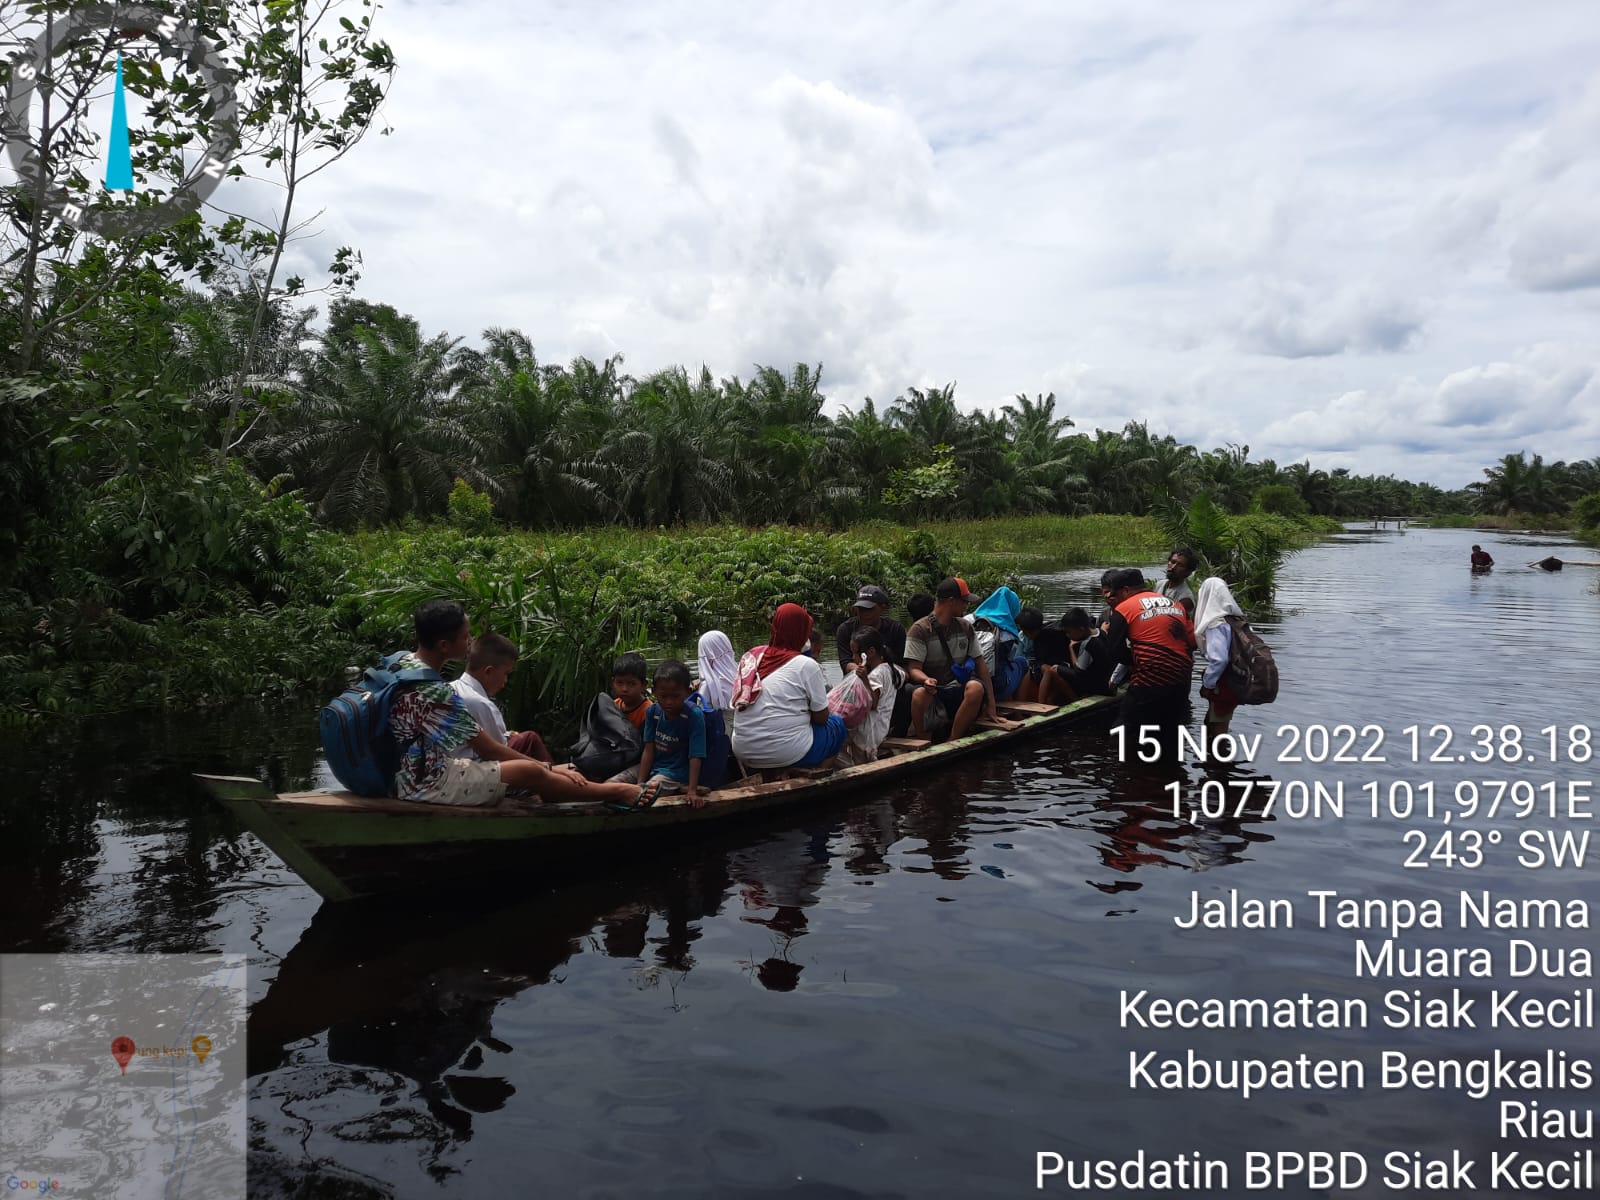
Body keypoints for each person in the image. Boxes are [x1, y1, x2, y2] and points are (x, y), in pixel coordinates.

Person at [388, 600, 661, 808]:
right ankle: (616, 791)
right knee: (529, 769)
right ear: (445, 645)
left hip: (409, 769)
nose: (470, 641)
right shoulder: (436, 692)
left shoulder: (401, 663)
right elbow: (490, 749)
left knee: (535, 757)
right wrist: (546, 768)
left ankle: (566, 781)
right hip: (427, 780)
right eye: (465, 636)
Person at [730, 604, 849, 772]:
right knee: (837, 725)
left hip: (743, 750)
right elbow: (822, 718)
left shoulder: (751, 657)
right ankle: (821, 777)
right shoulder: (806, 665)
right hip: (785, 751)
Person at [1101, 567, 1196, 762]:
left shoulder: (1124, 609)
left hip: (1150, 680)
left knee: (1122, 730)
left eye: (1115, 593)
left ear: (1125, 590)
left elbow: (1114, 650)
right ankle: (1170, 776)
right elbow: (1192, 642)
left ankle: (1125, 776)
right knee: (1169, 732)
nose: (1114, 598)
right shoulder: (1175, 604)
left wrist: (1135, 662)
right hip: (1182, 679)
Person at [905, 577, 1014, 741]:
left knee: (976, 688)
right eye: (963, 601)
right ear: (951, 601)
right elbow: (914, 669)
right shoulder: (919, 630)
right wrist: (926, 680)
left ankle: (953, 738)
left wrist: (991, 706)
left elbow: (981, 666)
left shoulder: (965, 627)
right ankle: (923, 739)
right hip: (933, 692)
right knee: (919, 694)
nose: (966, 606)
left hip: (957, 690)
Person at [610, 660, 709, 807]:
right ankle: (677, 789)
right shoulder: (652, 712)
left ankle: (682, 787)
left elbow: (696, 755)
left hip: (677, 771)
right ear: (654, 692)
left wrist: (692, 792)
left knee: (644, 795)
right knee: (611, 785)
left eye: (675, 697)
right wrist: (639, 783)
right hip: (656, 765)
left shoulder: (693, 715)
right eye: (663, 696)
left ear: (688, 693)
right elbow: (649, 750)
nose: (669, 702)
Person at [449, 633, 553, 763]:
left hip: (451, 762)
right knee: (530, 739)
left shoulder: (451, 689)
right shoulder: (479, 703)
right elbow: (498, 750)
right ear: (488, 671)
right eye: (506, 674)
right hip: (470, 767)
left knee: (522, 739)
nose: (506, 680)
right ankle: (553, 778)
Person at [840, 628, 902, 765]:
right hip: (882, 726)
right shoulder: (891, 668)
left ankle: (850, 770)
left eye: (856, 653)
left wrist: (865, 680)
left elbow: (872, 703)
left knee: (838, 735)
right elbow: (904, 675)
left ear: (871, 652)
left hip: (869, 731)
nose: (853, 657)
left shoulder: (875, 675)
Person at [1193, 578, 1245, 740]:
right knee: (1218, 718)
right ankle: (1216, 757)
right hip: (1237, 678)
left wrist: (1208, 684)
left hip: (1224, 682)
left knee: (1219, 726)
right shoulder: (1234, 619)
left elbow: (1219, 660)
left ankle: (1218, 760)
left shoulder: (1216, 623)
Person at [1040, 607, 1116, 704]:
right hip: (1104, 680)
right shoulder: (1100, 632)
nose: (1067, 635)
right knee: (1063, 667)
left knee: (1054, 669)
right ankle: (1055, 698)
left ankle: (1075, 700)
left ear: (1081, 629)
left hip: (1097, 686)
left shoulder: (1088, 643)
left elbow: (1078, 669)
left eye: (1069, 632)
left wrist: (1071, 647)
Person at [971, 586, 1027, 701]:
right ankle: (1019, 705)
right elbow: (1010, 660)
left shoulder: (970, 621)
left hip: (970, 684)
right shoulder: (1009, 634)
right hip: (997, 688)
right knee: (1022, 662)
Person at [834, 584, 907, 670]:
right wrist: (861, 671)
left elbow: (900, 664)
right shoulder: (845, 630)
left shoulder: (896, 629)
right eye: (861, 609)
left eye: (869, 609)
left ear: (882, 608)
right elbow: (845, 663)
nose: (864, 614)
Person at [611, 652, 650, 731]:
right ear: (613, 682)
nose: (624, 689)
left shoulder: (649, 712)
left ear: (643, 685)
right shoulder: (613, 706)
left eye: (631, 684)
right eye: (620, 683)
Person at [1160, 546, 1199, 622]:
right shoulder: (1160, 584)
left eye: (1180, 565)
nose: (1173, 567)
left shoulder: (1186, 598)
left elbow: (1168, 620)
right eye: (1172, 562)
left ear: (1188, 572)